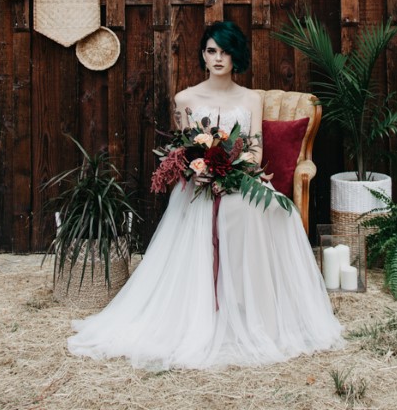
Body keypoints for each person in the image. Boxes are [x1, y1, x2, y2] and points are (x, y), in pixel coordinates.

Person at [67, 20, 344, 369]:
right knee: (224, 209)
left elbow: (255, 152)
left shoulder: (250, 100)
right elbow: (185, 151)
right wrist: (202, 170)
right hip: (198, 184)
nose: (218, 58)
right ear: (203, 54)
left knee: (265, 210)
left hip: (242, 177)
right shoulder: (186, 98)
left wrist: (232, 169)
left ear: (235, 57)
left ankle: (255, 311)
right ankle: (206, 309)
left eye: (225, 51)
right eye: (212, 50)